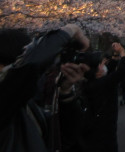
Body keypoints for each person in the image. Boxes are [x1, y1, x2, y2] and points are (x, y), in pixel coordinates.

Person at [0, 24, 91, 152]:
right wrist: (71, 30)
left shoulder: (29, 106)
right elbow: (30, 66)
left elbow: (64, 138)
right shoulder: (8, 96)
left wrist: (65, 93)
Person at [80, 42, 125, 152]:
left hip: (93, 132)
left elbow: (110, 71)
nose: (104, 64)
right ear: (95, 72)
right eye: (100, 64)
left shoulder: (88, 84)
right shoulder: (103, 84)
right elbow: (121, 72)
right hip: (104, 133)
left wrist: (114, 57)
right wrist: (122, 52)